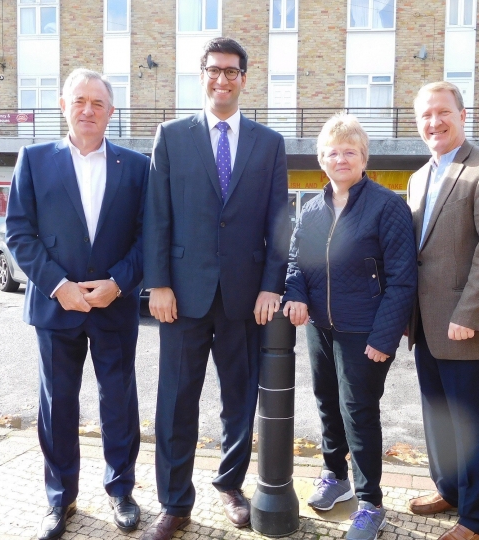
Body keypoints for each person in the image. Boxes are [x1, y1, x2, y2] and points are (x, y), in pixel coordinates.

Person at [142, 37, 289, 540]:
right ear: (201, 75)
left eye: (232, 71)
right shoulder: (171, 136)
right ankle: (175, 501)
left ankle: (229, 483)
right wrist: (157, 283)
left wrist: (272, 286)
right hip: (181, 297)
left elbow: (279, 223)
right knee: (176, 401)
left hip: (245, 298)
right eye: (214, 70)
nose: (222, 79)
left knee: (239, 400)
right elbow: (157, 217)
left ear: (245, 78)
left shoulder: (268, 144)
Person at [6, 68, 148, 540]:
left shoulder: (136, 166)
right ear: (64, 106)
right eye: (80, 101)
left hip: (114, 307)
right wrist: (57, 285)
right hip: (56, 308)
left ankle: (121, 490)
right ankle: (59, 499)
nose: (88, 110)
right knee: (58, 404)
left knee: (118, 402)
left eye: (98, 103)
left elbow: (149, 238)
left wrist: (119, 283)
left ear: (111, 112)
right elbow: (19, 234)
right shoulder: (33, 159)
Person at [282, 114, 416, 540]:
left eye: (349, 151)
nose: (341, 158)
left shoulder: (387, 205)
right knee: (326, 401)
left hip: (365, 331)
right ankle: (334, 475)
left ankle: (371, 503)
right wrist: (297, 294)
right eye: (333, 152)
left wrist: (384, 337)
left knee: (358, 411)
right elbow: (296, 262)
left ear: (364, 158)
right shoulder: (313, 208)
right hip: (320, 327)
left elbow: (403, 278)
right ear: (322, 159)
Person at [405, 81, 479, 540]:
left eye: (442, 112)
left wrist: (469, 314)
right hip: (426, 326)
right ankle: (450, 490)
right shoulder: (417, 178)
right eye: (425, 116)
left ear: (462, 115)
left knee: (477, 425)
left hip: (470, 327)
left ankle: (477, 519)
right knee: (439, 418)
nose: (434, 122)